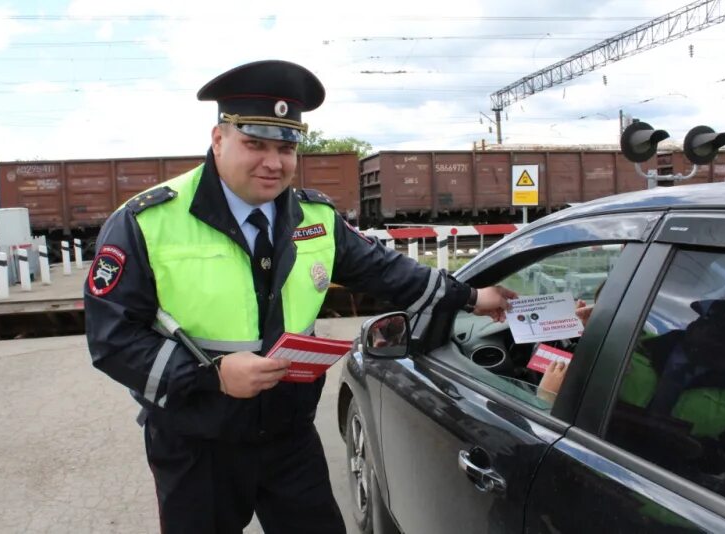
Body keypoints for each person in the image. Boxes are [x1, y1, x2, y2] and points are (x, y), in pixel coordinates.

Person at [83, 59, 516, 534]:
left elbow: (385, 272)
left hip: (288, 438)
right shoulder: (146, 221)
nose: (274, 162)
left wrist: (470, 297)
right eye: (255, 143)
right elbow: (112, 338)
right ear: (219, 138)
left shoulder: (314, 217)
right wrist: (212, 375)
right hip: (195, 443)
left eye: (286, 146)